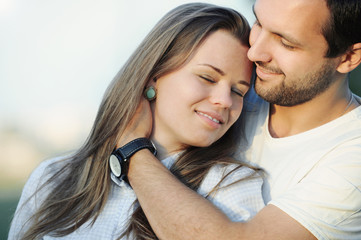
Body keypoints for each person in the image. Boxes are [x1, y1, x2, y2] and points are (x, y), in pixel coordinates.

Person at [8, 3, 265, 240]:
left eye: (238, 91)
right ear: (154, 76)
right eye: (207, 78)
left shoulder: (232, 185)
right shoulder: (52, 178)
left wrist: (134, 148)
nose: (225, 101)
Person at [122, 0, 361, 239]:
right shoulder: (232, 93)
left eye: (286, 43)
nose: (254, 52)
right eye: (258, 23)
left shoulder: (352, 157)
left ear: (349, 57)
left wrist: (133, 151)